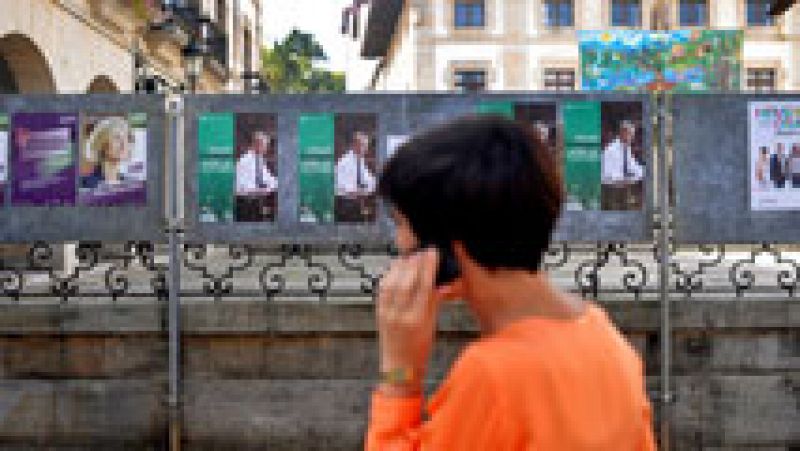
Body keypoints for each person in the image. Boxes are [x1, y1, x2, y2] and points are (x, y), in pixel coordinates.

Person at [366, 115, 656, 450]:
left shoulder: (492, 376)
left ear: (447, 245)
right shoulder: (604, 338)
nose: (399, 244)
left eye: (402, 224)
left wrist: (398, 376)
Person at [81, 117, 134, 190]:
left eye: (127, 139)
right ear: (102, 144)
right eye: (117, 138)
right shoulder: (83, 184)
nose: (124, 144)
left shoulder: (131, 185)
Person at [601, 120, 644, 210]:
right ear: (623, 133)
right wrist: (627, 179)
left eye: (633, 135)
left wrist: (645, 172)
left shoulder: (626, 148)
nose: (632, 138)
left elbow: (632, 166)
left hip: (622, 189)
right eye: (631, 135)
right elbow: (608, 175)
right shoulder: (611, 150)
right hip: (611, 190)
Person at [236, 131, 278, 221]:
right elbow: (239, 188)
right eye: (265, 146)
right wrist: (259, 191)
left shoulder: (259, 159)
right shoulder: (244, 161)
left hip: (256, 202)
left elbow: (268, 178)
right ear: (257, 144)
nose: (266, 149)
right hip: (245, 205)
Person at [335, 130, 377, 222]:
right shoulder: (344, 162)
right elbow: (349, 190)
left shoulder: (360, 161)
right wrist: (364, 191)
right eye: (364, 145)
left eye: (366, 146)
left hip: (356, 204)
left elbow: (370, 181)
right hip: (346, 205)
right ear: (355, 145)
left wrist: (371, 186)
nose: (366, 149)